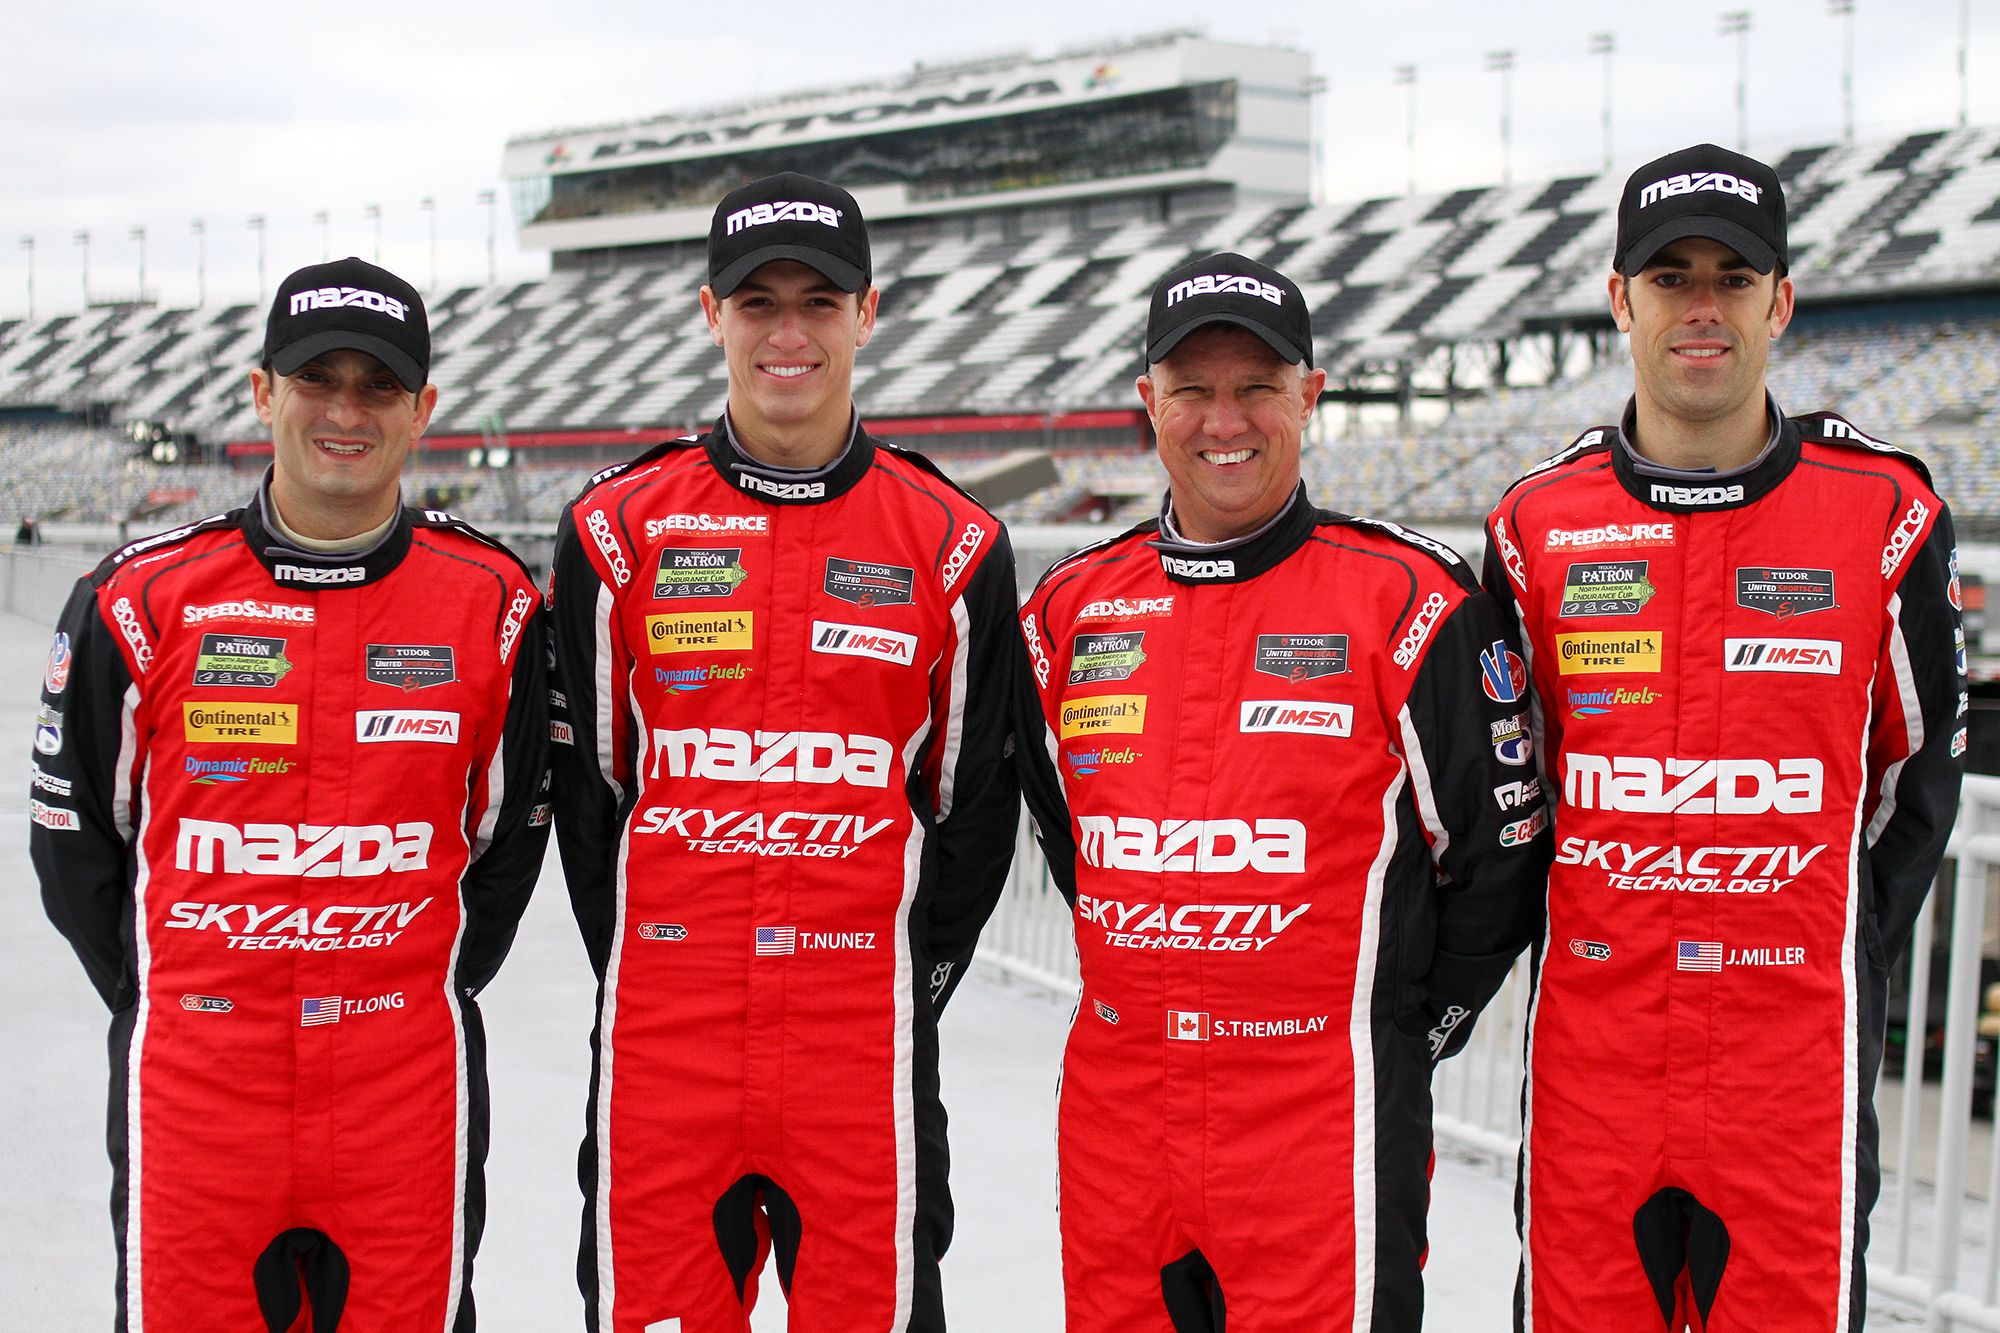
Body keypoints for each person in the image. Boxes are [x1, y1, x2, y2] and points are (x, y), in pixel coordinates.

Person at [1013, 252, 1551, 1332]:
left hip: (1324, 1123)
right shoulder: (1069, 608)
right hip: (1121, 1123)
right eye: (1192, 389)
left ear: (1309, 396)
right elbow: (1068, 834)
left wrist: (1399, 1029)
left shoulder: (1410, 600)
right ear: (1146, 403)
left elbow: (1497, 860)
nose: (1225, 418)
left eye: (1256, 385)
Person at [1484, 143, 1965, 1332]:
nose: (1700, 307)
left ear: (1778, 302)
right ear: (1619, 301)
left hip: (1788, 1063)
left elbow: (1917, 780)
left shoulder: (1887, 514)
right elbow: (1506, 795)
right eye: (1668, 277)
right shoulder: (1532, 525)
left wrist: (1827, 953)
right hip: (1592, 1056)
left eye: (1732, 278)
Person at [31, 255, 551, 1331]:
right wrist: (186, 996)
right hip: (199, 1089)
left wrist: (402, 988)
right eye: (319, 378)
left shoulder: (494, 605)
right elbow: (76, 847)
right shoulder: (140, 600)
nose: (346, 410)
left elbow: (504, 852)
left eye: (378, 384)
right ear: (264, 392)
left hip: (404, 1093)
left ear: (424, 410)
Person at [548, 172, 1021, 1333]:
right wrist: (657, 958)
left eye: (820, 299)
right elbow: (588, 790)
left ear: (868, 314)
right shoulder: (614, 531)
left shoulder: (955, 542)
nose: (788, 332)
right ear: (711, 316)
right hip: (666, 1041)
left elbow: (972, 807)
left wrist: (907, 980)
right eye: (757, 302)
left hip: (861, 1044)